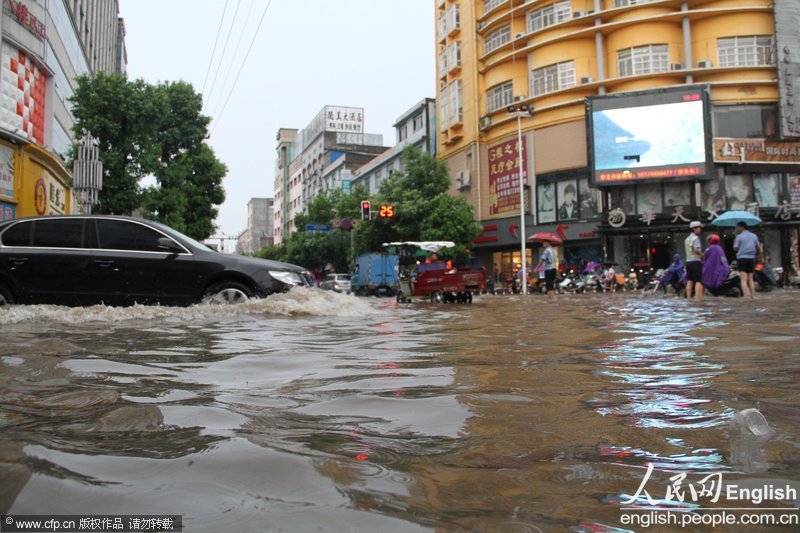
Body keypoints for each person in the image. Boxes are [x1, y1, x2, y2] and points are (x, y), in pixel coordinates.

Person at [733, 221, 763, 299]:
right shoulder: (754, 236)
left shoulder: (739, 237)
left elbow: (735, 248)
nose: (736, 229)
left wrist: (736, 243)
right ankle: (753, 296)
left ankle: (746, 296)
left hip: (742, 258)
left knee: (743, 278)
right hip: (751, 259)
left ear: (742, 227)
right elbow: (758, 247)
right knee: (750, 278)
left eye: (737, 227)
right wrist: (761, 256)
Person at [685, 221, 704, 301]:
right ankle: (697, 298)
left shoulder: (687, 239)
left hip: (688, 262)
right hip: (696, 261)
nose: (700, 230)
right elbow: (696, 250)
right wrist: (702, 255)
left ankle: (689, 297)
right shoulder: (696, 238)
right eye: (698, 228)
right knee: (698, 281)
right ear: (693, 229)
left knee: (689, 280)